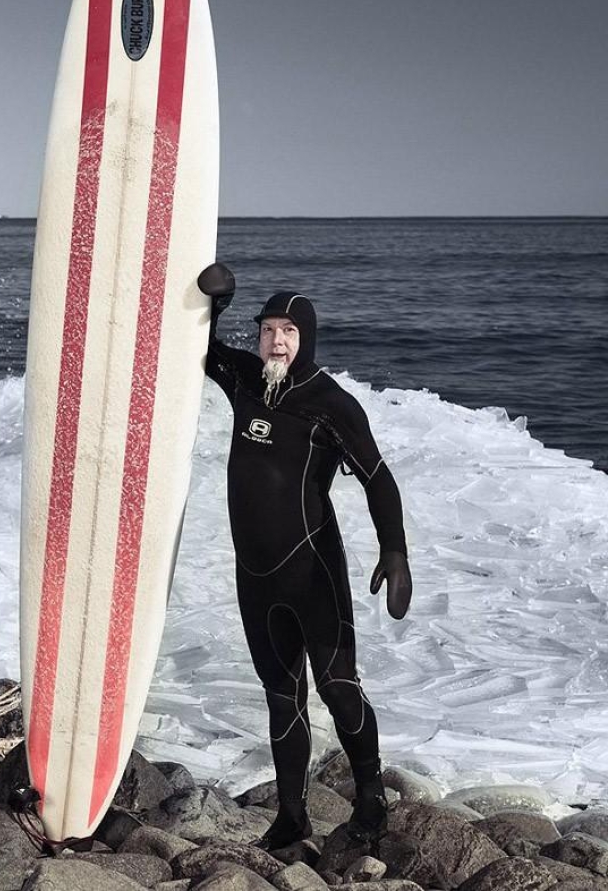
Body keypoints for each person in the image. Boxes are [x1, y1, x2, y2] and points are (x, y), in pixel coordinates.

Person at [197, 262, 412, 851]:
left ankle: (371, 803)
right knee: (279, 695)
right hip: (255, 575)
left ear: (305, 339)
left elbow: (377, 478)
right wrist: (215, 304)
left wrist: (394, 551)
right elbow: (199, 350)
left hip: (312, 570)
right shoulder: (245, 378)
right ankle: (291, 818)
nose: (276, 341)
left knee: (339, 687)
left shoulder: (331, 403)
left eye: (288, 332)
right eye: (268, 330)